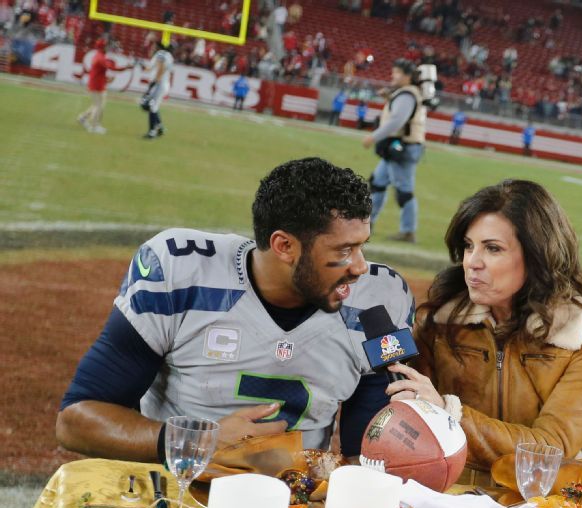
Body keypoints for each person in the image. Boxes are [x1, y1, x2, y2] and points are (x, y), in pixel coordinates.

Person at [55, 157, 414, 462]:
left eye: (362, 246)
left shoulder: (380, 299)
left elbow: (368, 456)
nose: (361, 266)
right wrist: (198, 444)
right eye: (343, 250)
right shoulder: (181, 271)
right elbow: (76, 420)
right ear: (284, 246)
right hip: (177, 495)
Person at [384, 180, 582, 488]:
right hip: (451, 497)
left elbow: (549, 449)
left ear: (538, 255)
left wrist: (448, 412)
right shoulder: (438, 322)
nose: (472, 262)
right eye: (468, 246)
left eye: (492, 248)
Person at [363, 59, 427, 244]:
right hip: (397, 147)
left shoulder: (407, 95)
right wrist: (389, 98)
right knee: (377, 183)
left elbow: (397, 121)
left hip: (402, 148)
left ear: (407, 76)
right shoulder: (405, 94)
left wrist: (373, 136)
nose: (393, 76)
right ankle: (368, 223)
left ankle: (408, 232)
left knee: (404, 191)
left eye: (397, 72)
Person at [77, 38, 125, 134]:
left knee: (98, 105)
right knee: (98, 106)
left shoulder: (99, 56)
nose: (108, 47)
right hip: (96, 85)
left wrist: (106, 79)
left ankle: (82, 118)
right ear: (103, 47)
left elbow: (99, 72)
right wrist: (126, 67)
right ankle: (94, 127)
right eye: (106, 46)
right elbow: (112, 68)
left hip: (98, 84)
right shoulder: (100, 57)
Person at [138, 38, 174, 139]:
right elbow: (149, 69)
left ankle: (152, 132)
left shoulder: (161, 54)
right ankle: (160, 127)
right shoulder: (168, 55)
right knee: (154, 106)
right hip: (163, 84)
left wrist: (154, 83)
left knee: (150, 105)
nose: (153, 47)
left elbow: (161, 68)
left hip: (159, 84)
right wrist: (140, 64)